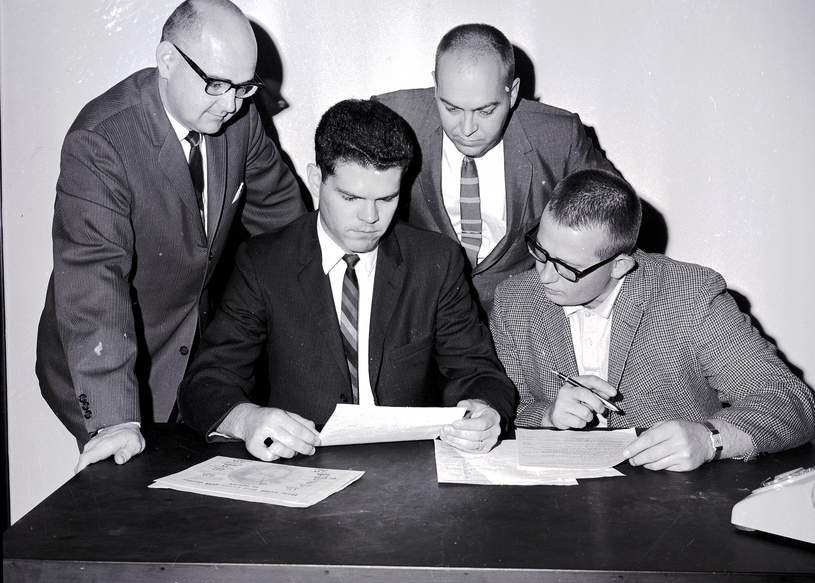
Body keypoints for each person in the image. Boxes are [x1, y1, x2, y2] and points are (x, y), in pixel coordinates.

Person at [36, 0, 307, 472]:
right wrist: (115, 421)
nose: (231, 104)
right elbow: (95, 284)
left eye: (243, 88)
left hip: (195, 349)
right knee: (130, 490)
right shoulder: (100, 141)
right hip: (109, 357)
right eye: (216, 84)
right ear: (167, 60)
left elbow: (285, 223)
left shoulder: (240, 119)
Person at [178, 98, 515, 462]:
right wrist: (246, 420)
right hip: (301, 464)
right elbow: (206, 382)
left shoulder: (436, 261)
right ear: (316, 180)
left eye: (386, 198)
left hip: (408, 467)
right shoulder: (264, 262)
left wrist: (485, 410)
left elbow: (478, 371)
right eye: (351, 197)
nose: (370, 217)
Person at [490, 168, 815, 471]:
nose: (544, 276)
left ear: (619, 266)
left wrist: (709, 438)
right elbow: (506, 407)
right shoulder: (513, 301)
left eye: (566, 268)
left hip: (674, 497)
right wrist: (547, 416)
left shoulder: (691, 296)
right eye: (540, 251)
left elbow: (791, 401)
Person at [375, 23, 615, 317]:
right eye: (451, 108)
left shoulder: (559, 138)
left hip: (521, 318)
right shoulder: (393, 118)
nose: (466, 129)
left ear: (512, 94)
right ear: (435, 85)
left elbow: (616, 224)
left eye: (486, 111)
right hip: (420, 311)